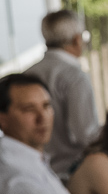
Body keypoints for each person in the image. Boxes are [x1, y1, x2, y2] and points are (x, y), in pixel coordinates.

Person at [25, 10, 99, 179]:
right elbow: (86, 134)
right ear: (76, 39)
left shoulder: (27, 75)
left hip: (37, 172)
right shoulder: (74, 76)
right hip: (71, 172)